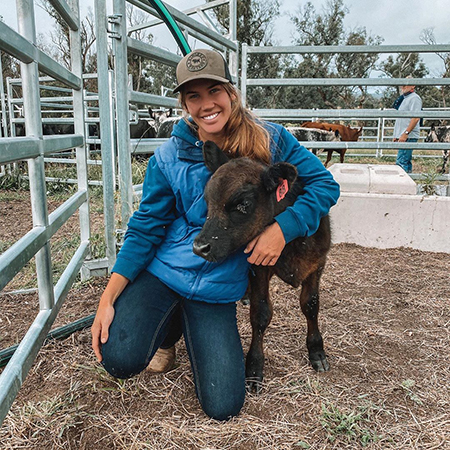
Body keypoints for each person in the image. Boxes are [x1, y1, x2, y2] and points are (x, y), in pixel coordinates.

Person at [91, 49, 340, 421]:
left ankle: (190, 324)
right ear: (184, 104)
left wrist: (281, 229)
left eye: (214, 91)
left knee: (223, 405)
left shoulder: (271, 141)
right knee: (120, 359)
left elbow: (323, 184)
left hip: (217, 285)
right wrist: (108, 296)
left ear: (231, 94)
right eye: (194, 96)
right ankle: (169, 329)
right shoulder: (168, 158)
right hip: (168, 271)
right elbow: (146, 226)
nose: (206, 104)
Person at [393, 78, 422, 173]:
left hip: (408, 136)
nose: (403, 86)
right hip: (404, 135)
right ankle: (409, 184)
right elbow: (402, 119)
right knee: (406, 161)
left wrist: (405, 133)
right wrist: (396, 135)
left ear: (413, 86)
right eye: (402, 84)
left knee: (401, 163)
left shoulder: (414, 98)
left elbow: (416, 118)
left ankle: (402, 186)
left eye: (406, 84)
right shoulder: (405, 99)